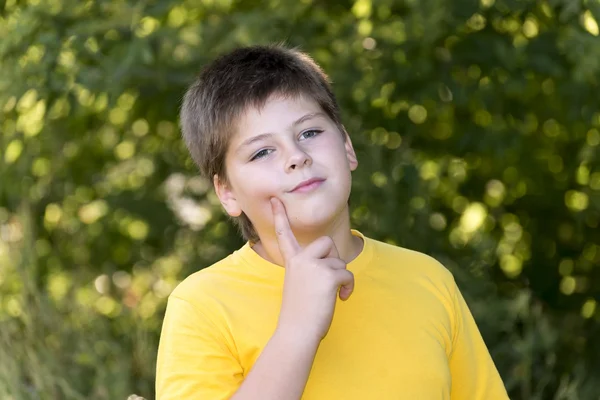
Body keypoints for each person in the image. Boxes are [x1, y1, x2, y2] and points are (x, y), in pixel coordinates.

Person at [155, 44, 509, 399]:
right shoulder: (202, 306)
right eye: (262, 151)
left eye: (309, 133)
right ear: (227, 192)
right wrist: (297, 329)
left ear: (347, 146)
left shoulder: (429, 280)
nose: (296, 156)